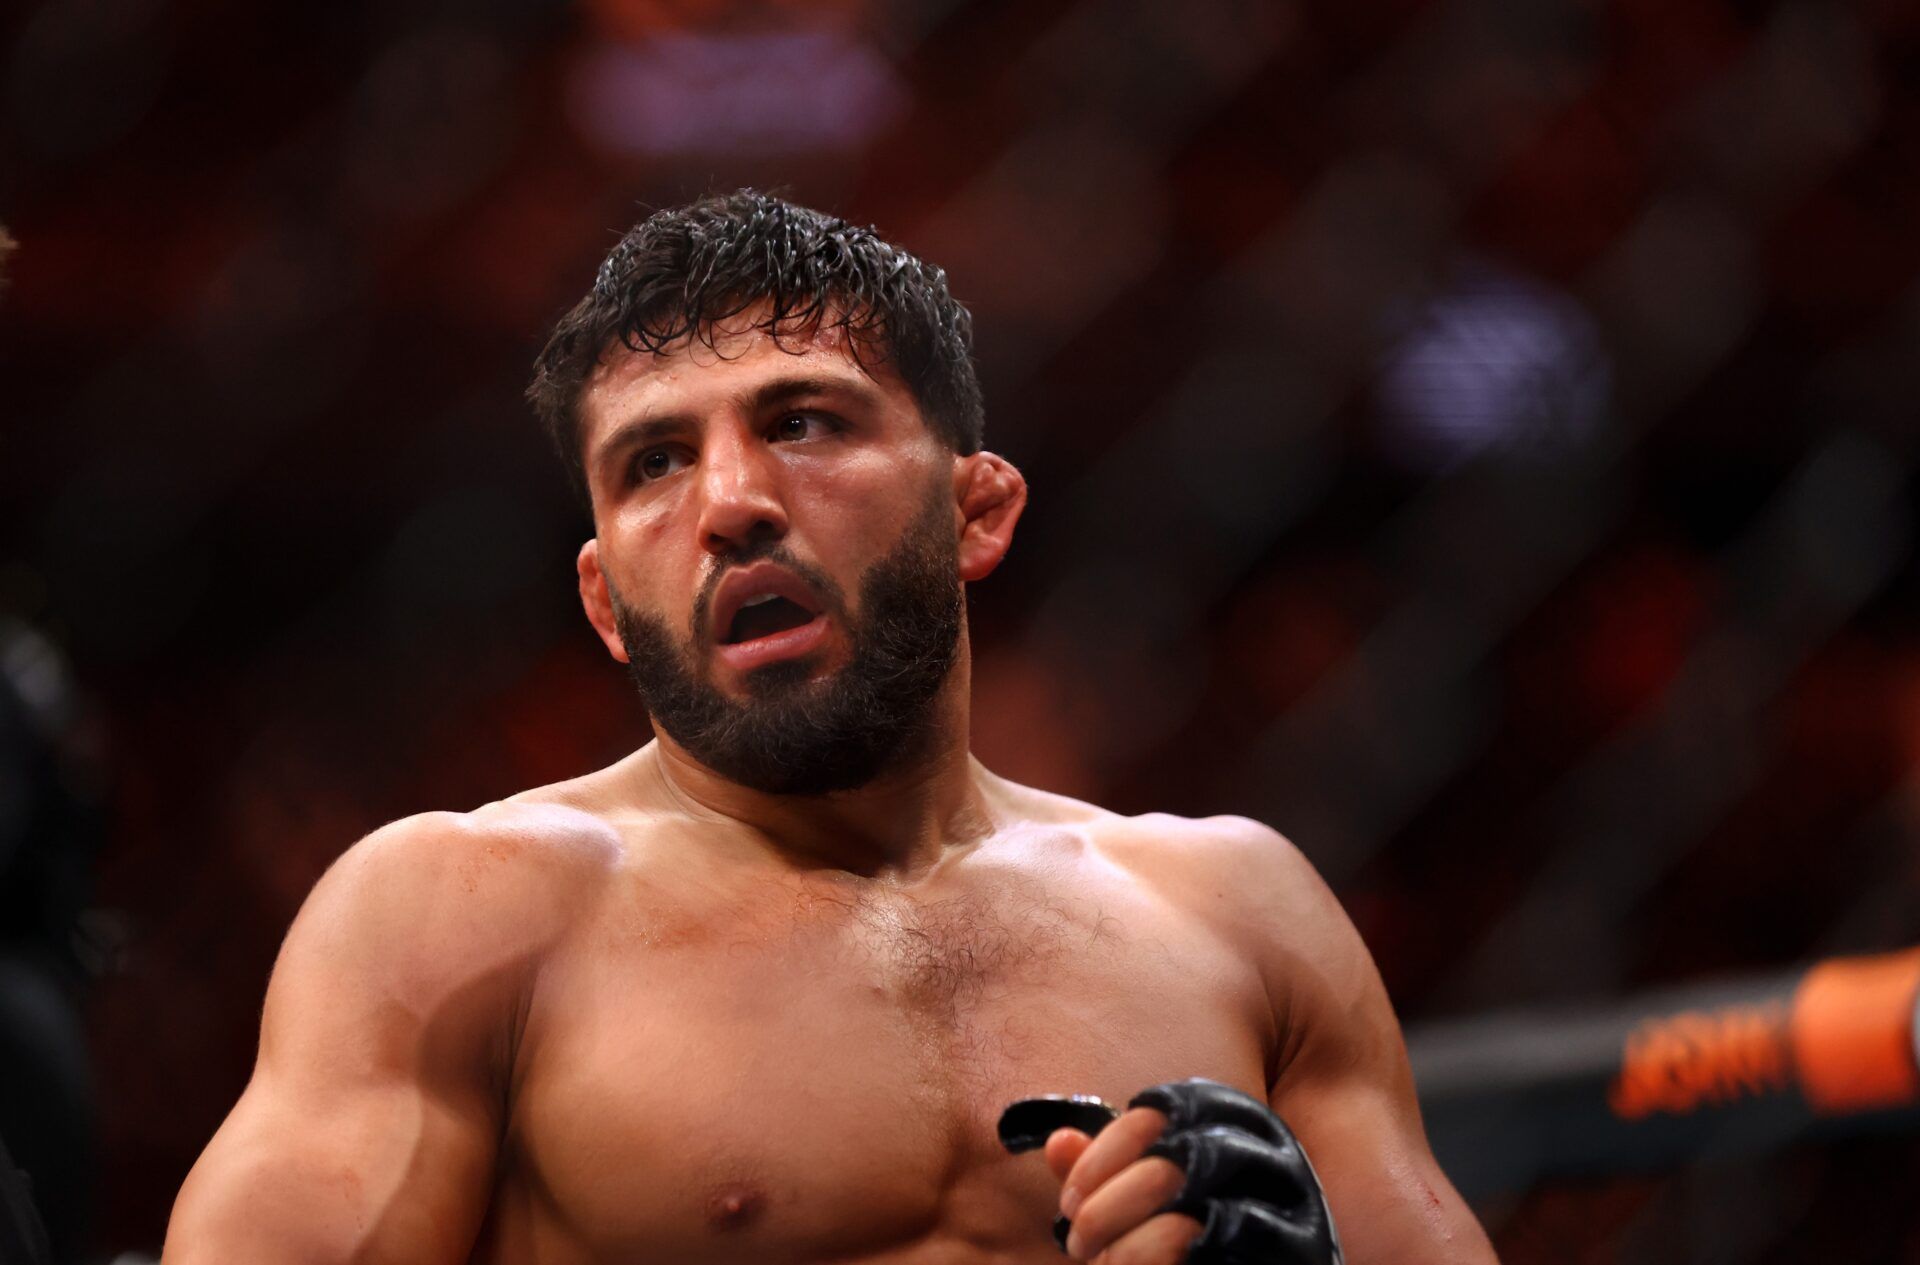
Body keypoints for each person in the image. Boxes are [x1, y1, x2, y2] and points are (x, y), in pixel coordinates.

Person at [163, 192, 1496, 1264]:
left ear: (975, 509)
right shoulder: (452, 915)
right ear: (606, 599)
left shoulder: (1234, 906)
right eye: (654, 461)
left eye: (802, 421)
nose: (733, 499)